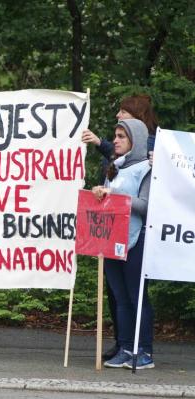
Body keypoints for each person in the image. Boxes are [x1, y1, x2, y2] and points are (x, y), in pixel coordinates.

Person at [82, 94, 158, 360]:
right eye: (115, 136)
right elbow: (110, 200)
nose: (114, 140)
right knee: (120, 298)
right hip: (112, 240)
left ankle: (144, 351)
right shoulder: (115, 166)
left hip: (135, 241)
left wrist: (114, 198)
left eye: (121, 137)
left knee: (136, 298)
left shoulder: (147, 168)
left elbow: (147, 206)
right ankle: (125, 347)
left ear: (135, 140)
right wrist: (99, 193)